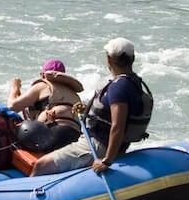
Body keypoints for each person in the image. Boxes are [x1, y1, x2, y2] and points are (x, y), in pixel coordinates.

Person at [30, 38, 152, 176]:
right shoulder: (134, 82)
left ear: (109, 59)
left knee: (41, 165)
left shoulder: (119, 87)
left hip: (97, 146)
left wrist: (106, 161)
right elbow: (116, 117)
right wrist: (87, 111)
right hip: (112, 145)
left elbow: (118, 126)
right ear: (132, 59)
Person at [8, 58, 83, 153]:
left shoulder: (43, 85)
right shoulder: (75, 95)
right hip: (75, 136)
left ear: (43, 75)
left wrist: (15, 87)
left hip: (53, 132)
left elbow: (11, 107)